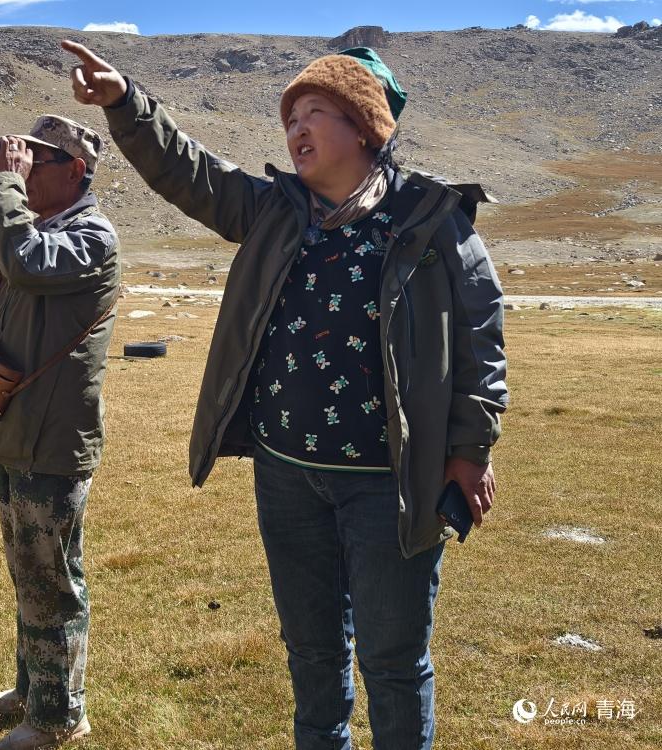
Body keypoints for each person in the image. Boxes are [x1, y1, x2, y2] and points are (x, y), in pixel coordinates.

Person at [63, 39, 508, 750]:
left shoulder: (429, 216)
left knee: (394, 662)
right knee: (312, 652)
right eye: (290, 118)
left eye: (315, 113)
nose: (296, 129)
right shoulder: (275, 209)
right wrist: (125, 104)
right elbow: (190, 172)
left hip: (389, 482)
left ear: (364, 128)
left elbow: (482, 337)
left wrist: (471, 450)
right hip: (287, 475)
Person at [0, 113, 119, 750]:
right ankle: (35, 690)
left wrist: (5, 190)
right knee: (28, 572)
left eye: (36, 162)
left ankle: (59, 717)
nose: (22, 171)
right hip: (19, 429)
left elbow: (25, 262)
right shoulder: (31, 228)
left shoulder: (91, 237)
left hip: (55, 438)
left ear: (76, 171)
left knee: (51, 579)